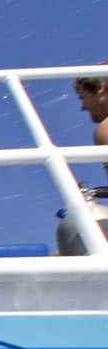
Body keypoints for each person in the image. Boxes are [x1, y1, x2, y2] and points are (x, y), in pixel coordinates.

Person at [56, 68, 108, 252]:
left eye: (82, 97)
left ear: (102, 90)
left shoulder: (105, 128)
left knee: (73, 227)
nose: (83, 107)